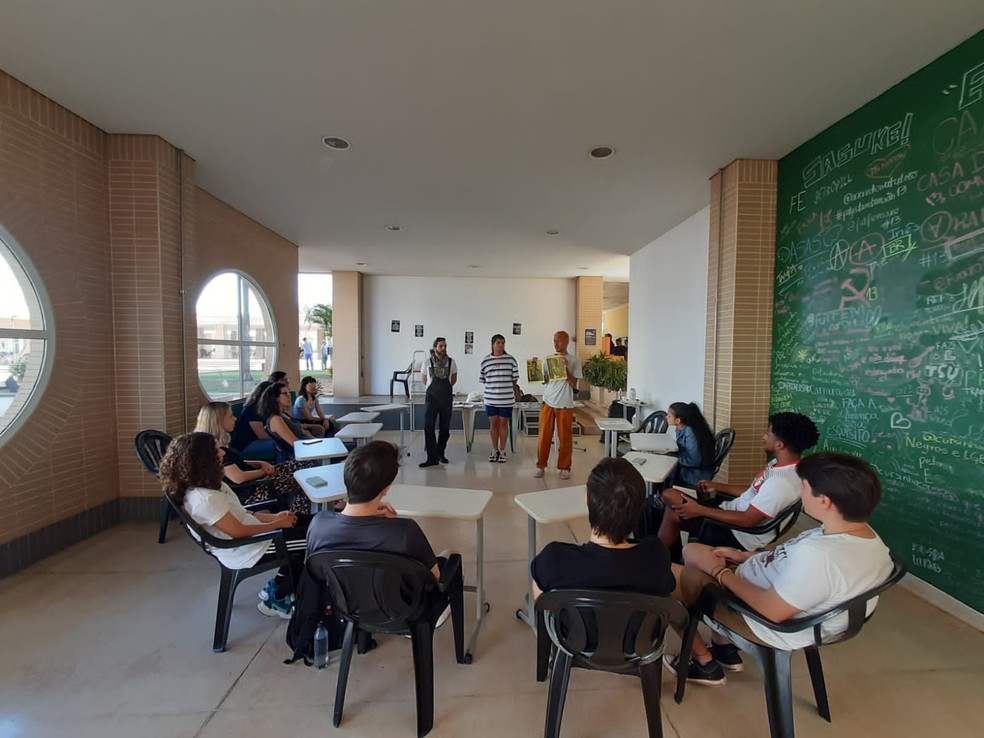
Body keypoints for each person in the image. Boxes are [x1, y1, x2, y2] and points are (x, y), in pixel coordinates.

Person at [664, 451, 894, 686]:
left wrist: (719, 573)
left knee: (664, 578)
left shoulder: (820, 556)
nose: (800, 492)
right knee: (692, 552)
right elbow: (791, 560)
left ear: (824, 501)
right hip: (765, 584)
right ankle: (723, 648)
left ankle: (704, 664)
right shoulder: (864, 539)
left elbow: (771, 611)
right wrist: (744, 556)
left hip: (762, 619)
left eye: (803, 486)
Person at [158, 431, 308, 619]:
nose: (222, 453)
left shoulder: (208, 484)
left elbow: (242, 514)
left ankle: (278, 585)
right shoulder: (205, 499)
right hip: (248, 548)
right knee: (316, 542)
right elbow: (239, 532)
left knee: (311, 523)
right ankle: (277, 598)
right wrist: (278, 524)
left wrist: (274, 518)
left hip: (252, 538)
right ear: (201, 458)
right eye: (217, 450)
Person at [307, 440, 454, 626]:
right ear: (386, 489)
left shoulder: (318, 525)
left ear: (346, 479)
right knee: (449, 555)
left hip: (347, 607)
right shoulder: (404, 532)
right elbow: (434, 579)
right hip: (405, 611)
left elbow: (316, 576)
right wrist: (393, 524)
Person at [658, 411, 819, 557]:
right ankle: (672, 553)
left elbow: (748, 520)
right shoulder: (781, 465)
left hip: (737, 533)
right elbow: (754, 491)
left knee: (671, 507)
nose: (764, 437)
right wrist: (719, 486)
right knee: (669, 497)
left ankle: (660, 558)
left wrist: (700, 510)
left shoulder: (782, 482)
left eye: (769, 433)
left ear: (780, 444)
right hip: (731, 510)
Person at [531, 457, 675, 598]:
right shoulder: (656, 558)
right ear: (639, 510)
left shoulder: (554, 560)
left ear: (587, 500)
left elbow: (541, 604)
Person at [196, 401, 313, 514]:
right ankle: (300, 516)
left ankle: (299, 514)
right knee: (302, 473)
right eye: (230, 416)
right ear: (218, 421)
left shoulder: (212, 444)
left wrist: (259, 463)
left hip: (255, 484)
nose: (235, 419)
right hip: (252, 490)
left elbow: (234, 464)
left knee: (303, 467)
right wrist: (263, 472)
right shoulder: (215, 449)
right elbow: (238, 477)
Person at [535, 330, 582, 480]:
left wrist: (566, 369)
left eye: (559, 340)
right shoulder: (549, 359)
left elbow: (574, 384)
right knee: (544, 436)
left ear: (567, 342)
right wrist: (535, 370)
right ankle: (541, 465)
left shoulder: (574, 361)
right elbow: (545, 380)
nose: (556, 343)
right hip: (548, 401)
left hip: (565, 403)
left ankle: (564, 467)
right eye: (554, 340)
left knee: (565, 437)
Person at [479, 333, 519, 463]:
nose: (501, 345)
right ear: (493, 344)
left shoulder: (511, 360)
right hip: (491, 399)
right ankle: (494, 449)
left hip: (506, 399)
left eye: (503, 342)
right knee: (493, 424)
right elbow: (484, 379)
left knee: (503, 424)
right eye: (498, 342)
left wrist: (504, 388)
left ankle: (502, 450)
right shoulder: (485, 361)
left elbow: (514, 379)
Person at [419, 337, 457, 468]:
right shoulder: (427, 362)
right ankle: (431, 457)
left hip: (446, 398)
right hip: (431, 399)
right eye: (441, 346)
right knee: (428, 427)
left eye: (445, 346)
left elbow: (453, 380)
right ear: (435, 348)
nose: (444, 348)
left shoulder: (452, 362)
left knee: (444, 429)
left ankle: (441, 453)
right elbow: (424, 380)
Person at [258, 381, 314, 461]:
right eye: (285, 394)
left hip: (305, 451)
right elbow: (295, 443)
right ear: (276, 398)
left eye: (289, 393)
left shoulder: (284, 414)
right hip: (296, 459)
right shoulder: (275, 419)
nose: (289, 396)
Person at [666, 402, 716, 487]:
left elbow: (694, 461)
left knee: (665, 468)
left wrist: (673, 457)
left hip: (695, 473)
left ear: (678, 420)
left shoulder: (690, 432)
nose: (666, 417)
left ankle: (661, 493)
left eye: (669, 416)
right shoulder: (681, 428)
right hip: (689, 466)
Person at [229, 380, 277, 459]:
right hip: (248, 444)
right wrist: (282, 437)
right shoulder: (251, 410)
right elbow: (261, 435)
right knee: (282, 444)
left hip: (259, 441)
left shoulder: (265, 409)